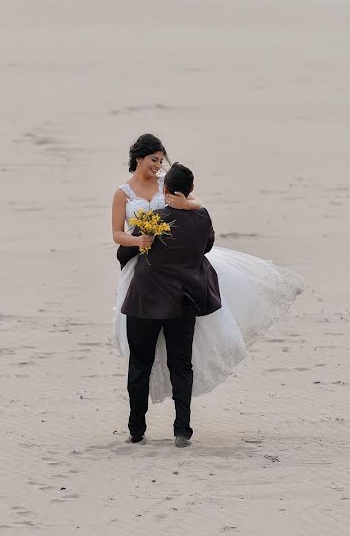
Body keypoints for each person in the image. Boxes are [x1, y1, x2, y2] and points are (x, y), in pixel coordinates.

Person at [111, 134, 304, 412]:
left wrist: (188, 205)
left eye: (161, 160)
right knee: (143, 350)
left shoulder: (168, 181)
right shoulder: (123, 193)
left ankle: (174, 415)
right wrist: (139, 240)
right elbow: (117, 234)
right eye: (154, 159)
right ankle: (152, 416)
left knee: (181, 348)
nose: (158, 165)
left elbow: (195, 203)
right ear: (139, 158)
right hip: (143, 266)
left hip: (178, 263)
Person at [118, 163, 218, 447]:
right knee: (181, 365)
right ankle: (182, 429)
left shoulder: (152, 218)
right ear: (191, 190)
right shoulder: (202, 218)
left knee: (140, 364)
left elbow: (125, 250)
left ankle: (137, 429)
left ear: (164, 190)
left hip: (145, 300)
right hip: (183, 301)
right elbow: (207, 246)